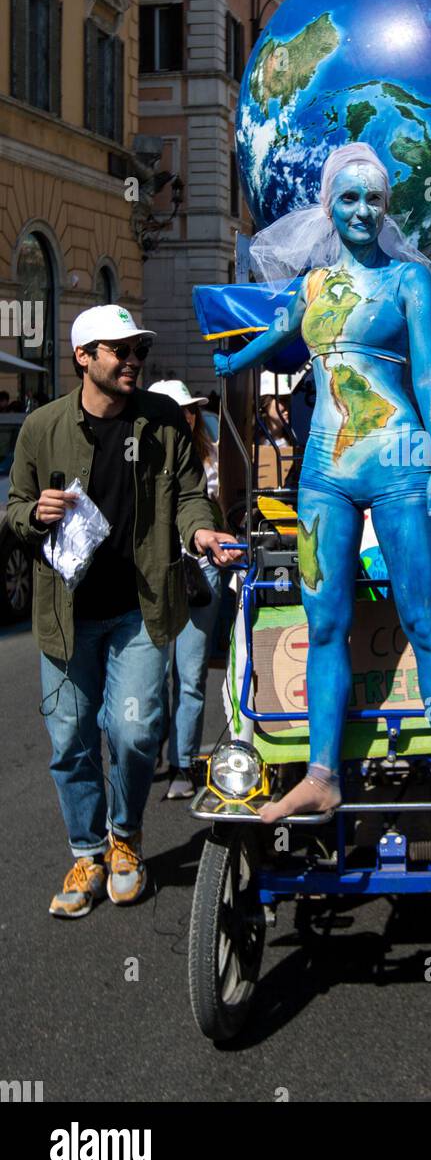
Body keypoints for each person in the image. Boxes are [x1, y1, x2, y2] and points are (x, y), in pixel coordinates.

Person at [213, 143, 431, 825]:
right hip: (324, 473)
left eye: (374, 198)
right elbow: (274, 332)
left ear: (388, 206)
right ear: (329, 207)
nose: (363, 210)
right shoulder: (313, 288)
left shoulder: (409, 283)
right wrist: (231, 359)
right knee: (325, 624)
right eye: (349, 198)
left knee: (425, 618)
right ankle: (321, 774)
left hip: (399, 460)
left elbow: (429, 375)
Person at [7, 305, 241, 919]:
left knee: (136, 732)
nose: (134, 359)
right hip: (66, 615)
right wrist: (35, 515)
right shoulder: (41, 427)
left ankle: (125, 837)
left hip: (141, 609)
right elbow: (13, 507)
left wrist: (201, 534)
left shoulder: (162, 421)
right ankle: (87, 851)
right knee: (71, 740)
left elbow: (190, 495)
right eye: (121, 350)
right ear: (85, 358)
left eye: (139, 349)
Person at [149, 379, 225, 799]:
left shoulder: (211, 454)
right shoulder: (142, 453)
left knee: (190, 674)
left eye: (190, 409)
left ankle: (183, 764)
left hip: (201, 570)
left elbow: (217, 509)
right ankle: (152, 743)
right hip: (156, 573)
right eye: (179, 410)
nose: (187, 416)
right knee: (154, 674)